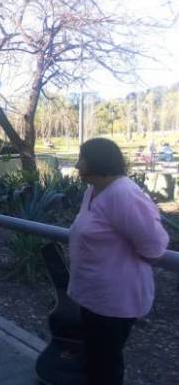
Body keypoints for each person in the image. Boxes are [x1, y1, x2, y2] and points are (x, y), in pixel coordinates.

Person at [69, 138, 169, 385]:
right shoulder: (92, 190)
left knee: (106, 366)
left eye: (82, 159)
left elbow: (154, 247)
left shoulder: (125, 195)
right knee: (94, 359)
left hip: (114, 302)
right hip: (92, 297)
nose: (77, 165)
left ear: (98, 162)